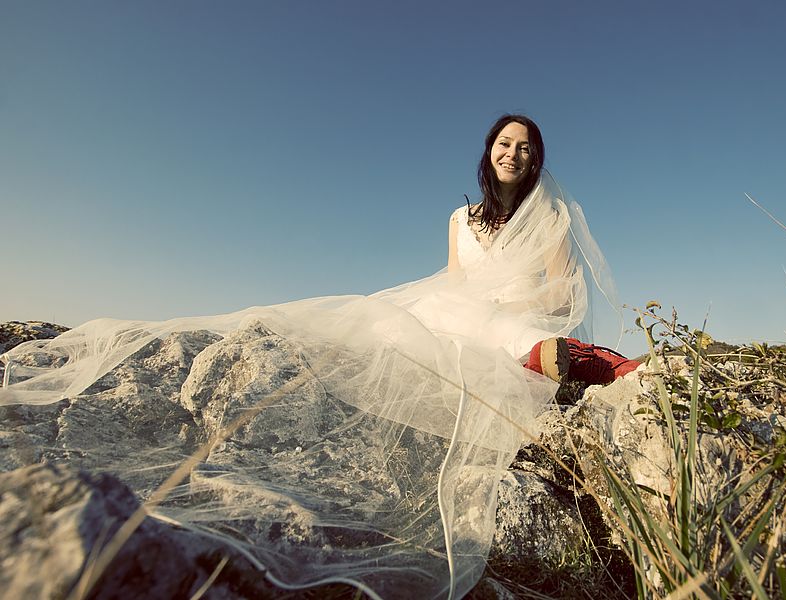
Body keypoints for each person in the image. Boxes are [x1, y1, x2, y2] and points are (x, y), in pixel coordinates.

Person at [0, 114, 623, 600]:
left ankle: (534, 351)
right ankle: (529, 355)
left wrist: (504, 299)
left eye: (525, 147)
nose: (513, 153)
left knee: (478, 321)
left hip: (527, 318)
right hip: (480, 322)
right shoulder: (461, 218)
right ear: (490, 152)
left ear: (537, 159)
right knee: (421, 315)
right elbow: (458, 285)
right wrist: (481, 304)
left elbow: (561, 290)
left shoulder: (553, 216)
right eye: (504, 143)